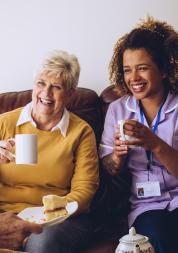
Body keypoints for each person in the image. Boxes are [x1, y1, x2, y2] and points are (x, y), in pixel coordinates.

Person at [0, 50, 99, 253]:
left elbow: (85, 190)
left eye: (56, 87)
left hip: (58, 219)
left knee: (41, 244)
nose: (46, 93)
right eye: (41, 84)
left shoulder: (81, 132)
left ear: (71, 93)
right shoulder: (4, 123)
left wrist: (43, 216)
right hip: (5, 213)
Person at [99, 16, 178, 253]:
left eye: (142, 68)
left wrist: (155, 144)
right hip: (147, 206)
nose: (133, 78)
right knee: (157, 240)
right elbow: (109, 168)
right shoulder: (118, 109)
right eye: (127, 70)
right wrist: (117, 158)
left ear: (163, 70)